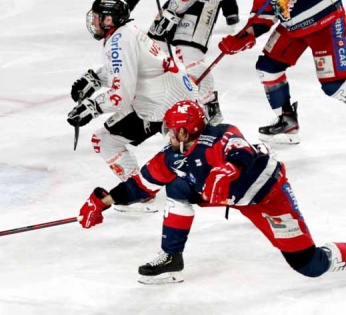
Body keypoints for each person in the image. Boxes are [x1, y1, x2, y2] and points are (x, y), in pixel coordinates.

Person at [77, 100, 346, 284]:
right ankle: (172, 257)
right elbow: (140, 184)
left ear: (185, 131)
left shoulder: (221, 135)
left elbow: (242, 152)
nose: (168, 134)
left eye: (172, 130)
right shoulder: (172, 156)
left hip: (267, 195)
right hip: (227, 194)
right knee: (176, 187)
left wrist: (229, 169)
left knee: (310, 265)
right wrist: (104, 201)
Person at [217, 0, 346, 144]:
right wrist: (242, 37)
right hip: (292, 27)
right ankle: (287, 122)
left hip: (324, 20)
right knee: (267, 66)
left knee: (334, 86)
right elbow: (263, 15)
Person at [67, 0, 198, 212]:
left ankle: (139, 194)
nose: (93, 21)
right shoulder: (127, 32)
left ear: (109, 19)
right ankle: (142, 189)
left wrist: (92, 108)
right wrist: (95, 79)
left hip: (163, 106)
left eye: (98, 16)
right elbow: (128, 70)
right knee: (193, 158)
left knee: (104, 140)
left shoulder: (119, 42)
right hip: (175, 99)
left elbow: (121, 94)